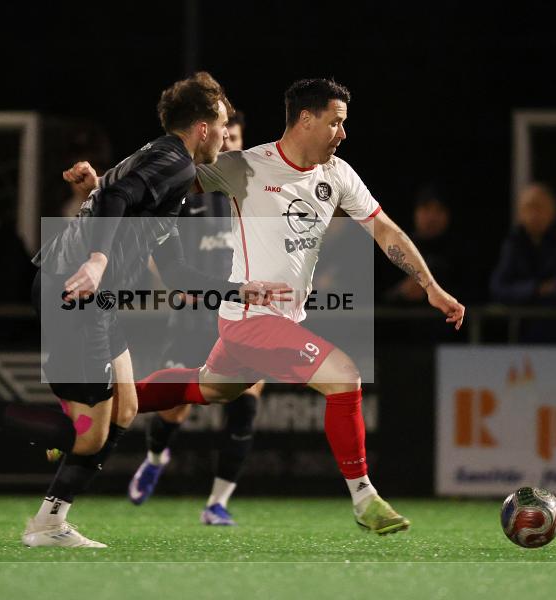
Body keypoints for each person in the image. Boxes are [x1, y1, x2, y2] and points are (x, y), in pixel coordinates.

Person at [0, 73, 289, 548]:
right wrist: (98, 256)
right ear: (203, 128)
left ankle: (49, 522)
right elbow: (116, 197)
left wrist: (240, 290)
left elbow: (177, 273)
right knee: (87, 434)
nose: (227, 136)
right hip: (75, 293)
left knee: (124, 409)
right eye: (223, 125)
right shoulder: (175, 162)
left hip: (90, 297)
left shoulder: (165, 164)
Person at [130, 78, 465, 535]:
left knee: (208, 389)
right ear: (306, 120)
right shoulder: (245, 166)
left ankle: (107, 403)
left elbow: (385, 230)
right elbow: (169, 173)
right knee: (343, 375)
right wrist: (107, 189)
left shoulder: (338, 175)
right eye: (336, 123)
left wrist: (430, 285)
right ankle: (365, 497)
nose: (343, 133)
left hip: (269, 319)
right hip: (250, 318)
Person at [127, 111, 265, 526]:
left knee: (246, 405)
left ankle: (216, 503)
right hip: (192, 315)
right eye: (225, 135)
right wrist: (169, 283)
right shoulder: (187, 186)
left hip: (241, 316)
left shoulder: (258, 191)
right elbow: (157, 248)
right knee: (174, 410)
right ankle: (155, 456)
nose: (228, 144)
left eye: (235, 137)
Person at [490, 182, 556, 342]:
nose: (533, 214)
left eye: (539, 207)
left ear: (553, 211)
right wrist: (534, 289)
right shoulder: (514, 242)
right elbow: (499, 288)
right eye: (528, 208)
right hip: (525, 336)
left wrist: (527, 293)